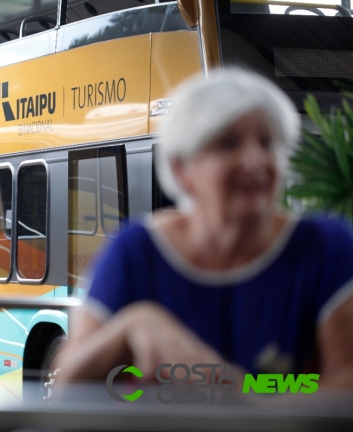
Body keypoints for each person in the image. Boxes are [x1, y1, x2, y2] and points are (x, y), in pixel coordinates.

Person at [59, 69, 353, 386]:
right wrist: (133, 324)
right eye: (228, 143)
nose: (255, 160)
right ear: (182, 169)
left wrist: (238, 399)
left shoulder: (326, 246)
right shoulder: (136, 252)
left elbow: (344, 386)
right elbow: (67, 384)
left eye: (267, 143)